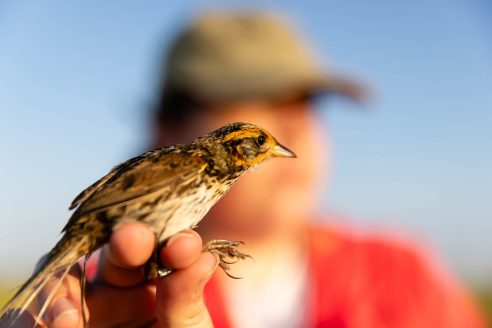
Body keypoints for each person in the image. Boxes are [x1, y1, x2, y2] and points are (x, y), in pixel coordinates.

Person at [12, 12, 486, 328]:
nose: (294, 127)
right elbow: (104, 206)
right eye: (262, 97)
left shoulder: (402, 279)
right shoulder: (106, 298)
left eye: (307, 103)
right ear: (165, 126)